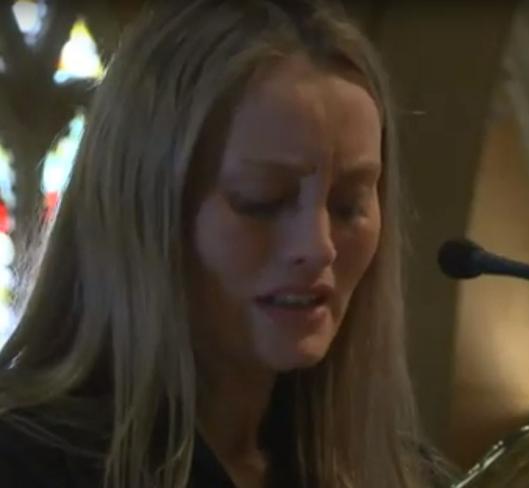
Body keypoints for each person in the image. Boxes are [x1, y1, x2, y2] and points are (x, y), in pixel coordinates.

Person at [0, 1, 458, 487]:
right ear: (147, 214)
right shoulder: (25, 463)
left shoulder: (401, 475)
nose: (319, 247)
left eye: (348, 206)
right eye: (263, 201)